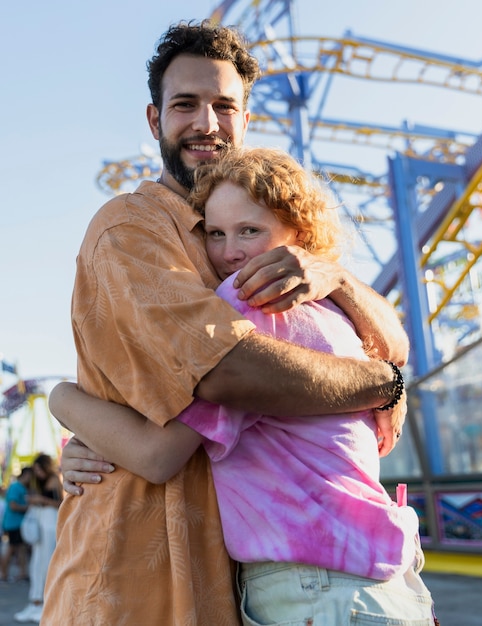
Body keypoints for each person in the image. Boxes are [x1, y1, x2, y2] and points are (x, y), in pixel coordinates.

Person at [42, 20, 410, 626]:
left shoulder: (256, 242)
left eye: (224, 106)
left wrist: (339, 279)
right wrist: (384, 385)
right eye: (185, 104)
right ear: (155, 121)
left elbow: (390, 344)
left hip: (236, 580)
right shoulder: (131, 226)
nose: (206, 124)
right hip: (133, 576)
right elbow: (227, 370)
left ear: (245, 121)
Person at [15, 454, 62, 624]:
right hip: (41, 522)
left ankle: (44, 603)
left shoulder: (55, 480)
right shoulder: (38, 482)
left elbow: (61, 503)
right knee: (36, 563)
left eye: (39, 469)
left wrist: (40, 499)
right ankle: (35, 601)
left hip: (50, 523)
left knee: (47, 563)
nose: (37, 473)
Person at [1, 466, 33, 583]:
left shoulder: (20, 487)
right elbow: (13, 505)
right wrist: (28, 508)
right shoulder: (15, 487)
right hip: (13, 523)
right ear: (26, 475)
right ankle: (3, 574)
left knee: (21, 549)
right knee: (11, 548)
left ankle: (22, 573)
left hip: (17, 523)